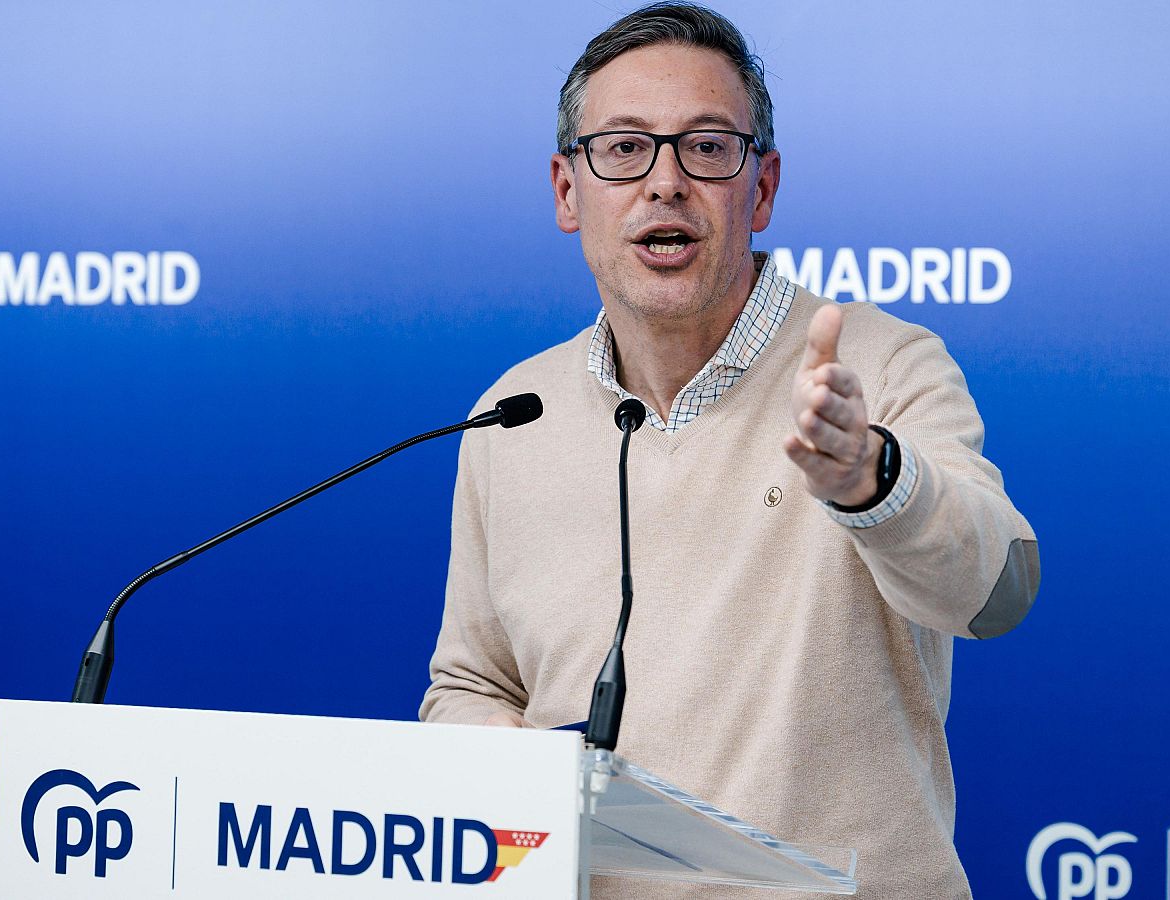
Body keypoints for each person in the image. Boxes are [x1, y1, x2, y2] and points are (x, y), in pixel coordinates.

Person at [419, 3, 1040, 897]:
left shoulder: (881, 364)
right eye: (624, 148)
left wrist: (874, 481)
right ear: (567, 190)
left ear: (763, 187)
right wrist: (511, 778)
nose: (664, 182)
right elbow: (472, 684)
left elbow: (999, 591)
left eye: (707, 148)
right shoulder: (515, 412)